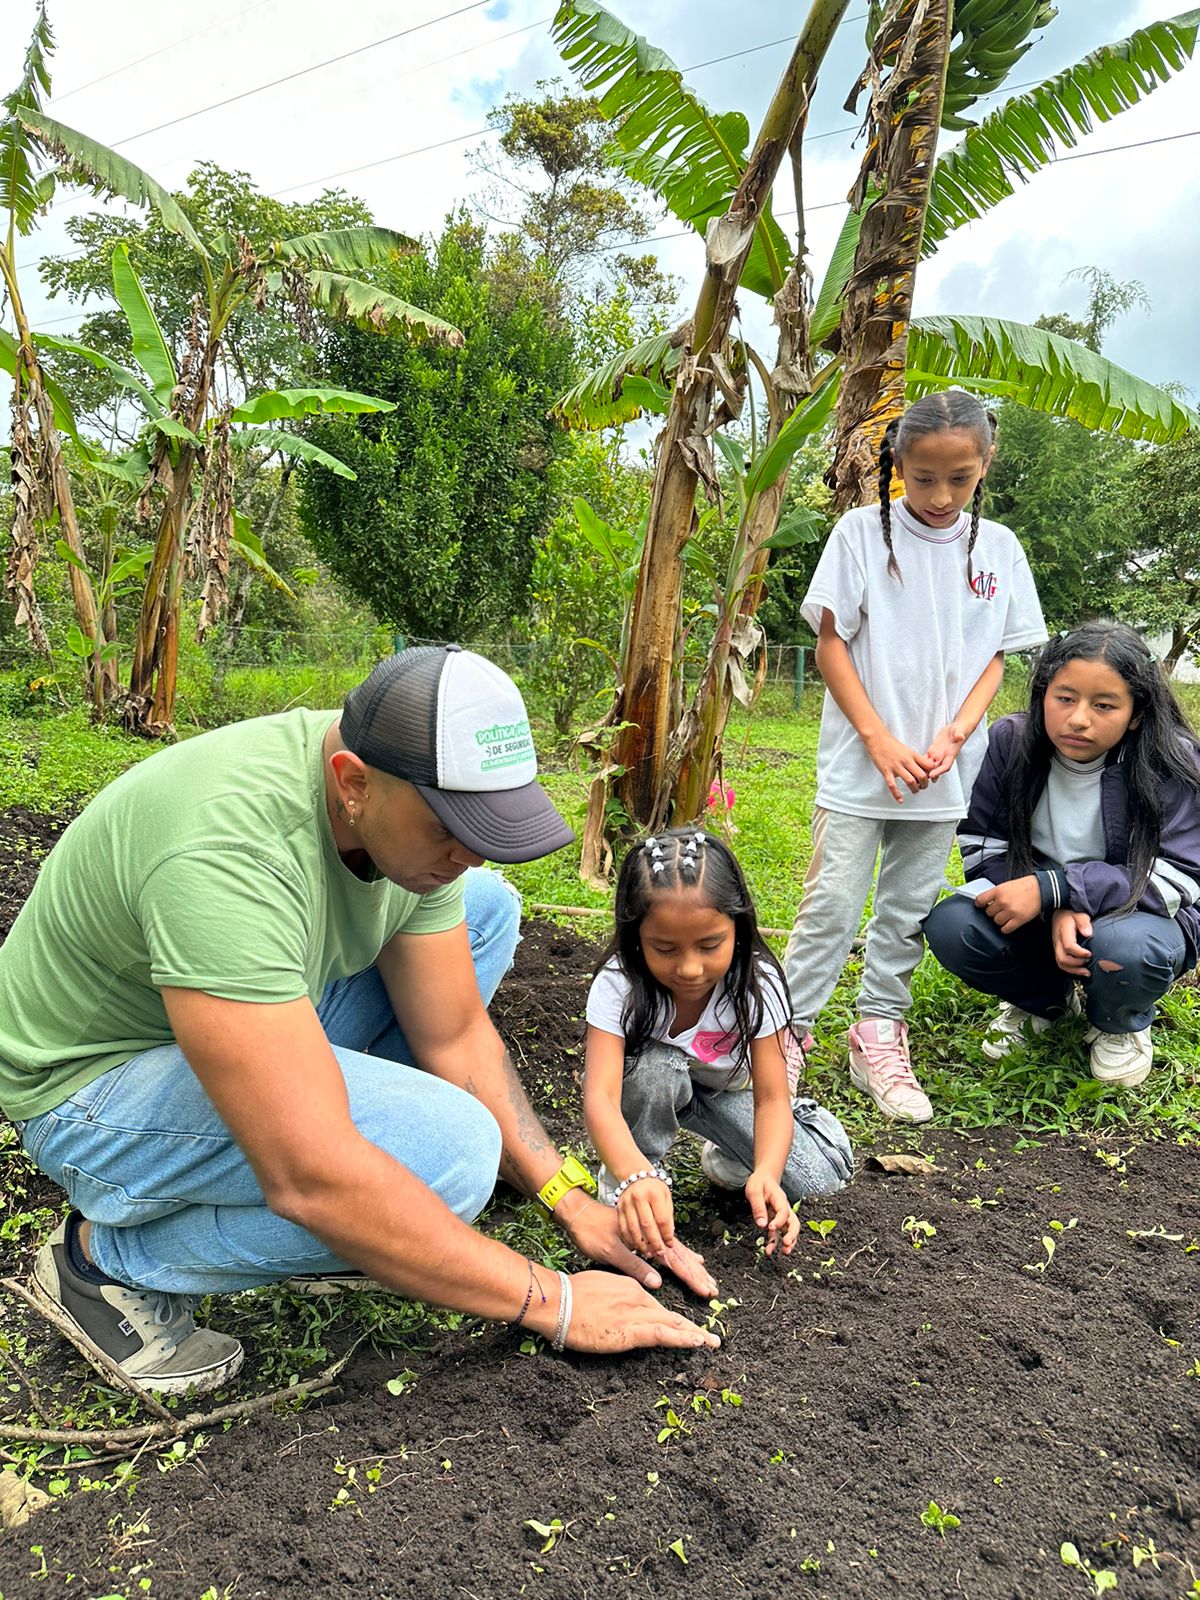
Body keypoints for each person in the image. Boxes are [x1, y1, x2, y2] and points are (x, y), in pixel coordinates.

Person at [0, 645, 721, 1396]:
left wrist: (567, 1196)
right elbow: (307, 1175)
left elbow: (452, 1034)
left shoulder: (392, 796)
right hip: (90, 1085)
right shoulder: (227, 854)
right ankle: (103, 1263)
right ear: (352, 785)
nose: (469, 850)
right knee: (450, 1156)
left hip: (230, 1013)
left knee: (483, 910)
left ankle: (377, 1207)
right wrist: (555, 1300)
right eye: (451, 828)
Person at [783, 390, 1047, 1123]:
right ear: (897, 464)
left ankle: (877, 1033)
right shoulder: (861, 535)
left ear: (984, 464)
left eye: (958, 478)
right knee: (831, 907)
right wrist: (877, 738)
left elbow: (996, 657)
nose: (938, 494)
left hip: (941, 769)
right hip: (861, 766)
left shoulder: (999, 551)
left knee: (904, 910)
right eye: (921, 477)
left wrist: (956, 736)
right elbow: (830, 643)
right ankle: (786, 1035)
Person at [924, 624, 1200, 1087]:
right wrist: (1052, 905)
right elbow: (982, 847)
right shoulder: (1010, 743)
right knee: (954, 926)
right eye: (1065, 698)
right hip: (1040, 903)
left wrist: (1058, 890)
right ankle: (1043, 1000)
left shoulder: (1171, 760)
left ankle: (1118, 1021)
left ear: (1136, 714)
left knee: (1126, 952)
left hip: (1137, 916)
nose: (1078, 719)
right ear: (1042, 692)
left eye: (1104, 705)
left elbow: (1181, 874)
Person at [584, 829, 852, 1267]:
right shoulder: (619, 984)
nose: (690, 968)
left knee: (816, 1180)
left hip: (726, 1092)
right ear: (636, 938)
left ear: (738, 927)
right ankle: (633, 1185)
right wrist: (635, 1174)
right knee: (655, 1070)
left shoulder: (756, 984)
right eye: (664, 948)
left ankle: (739, 1157)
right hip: (651, 1086)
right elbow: (600, 1098)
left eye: (710, 945)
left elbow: (769, 1097)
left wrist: (765, 1171)